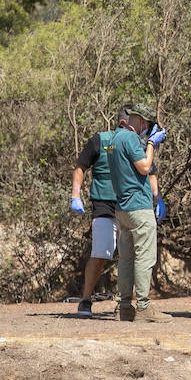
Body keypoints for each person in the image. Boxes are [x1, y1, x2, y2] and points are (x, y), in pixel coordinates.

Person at [107, 101, 171, 322]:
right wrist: (151, 144)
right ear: (137, 121)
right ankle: (143, 308)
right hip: (138, 207)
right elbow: (145, 167)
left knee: (125, 258)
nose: (146, 127)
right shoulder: (131, 138)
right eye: (145, 123)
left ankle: (124, 307)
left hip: (122, 208)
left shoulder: (114, 139)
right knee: (145, 256)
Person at [69, 125, 121, 318]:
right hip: (103, 204)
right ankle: (85, 300)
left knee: (130, 255)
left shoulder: (138, 143)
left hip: (130, 206)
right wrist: (76, 195)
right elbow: (80, 166)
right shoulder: (99, 140)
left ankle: (124, 303)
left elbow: (150, 171)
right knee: (100, 253)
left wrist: (157, 199)